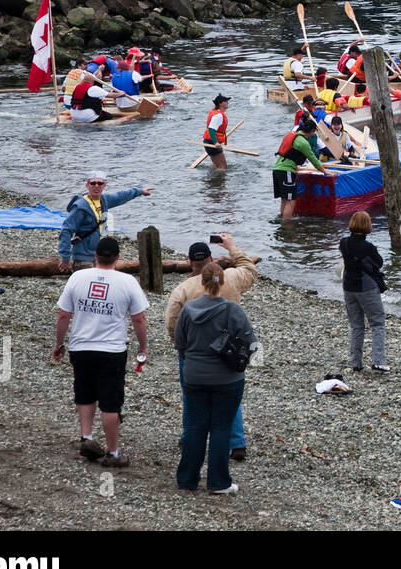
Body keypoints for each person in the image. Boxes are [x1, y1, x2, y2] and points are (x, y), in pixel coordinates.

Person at [52, 237, 147, 468]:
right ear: (117, 257)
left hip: (81, 346)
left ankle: (87, 436)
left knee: (84, 392)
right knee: (110, 401)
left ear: (95, 255)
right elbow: (139, 318)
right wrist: (143, 346)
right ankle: (113, 452)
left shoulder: (78, 277)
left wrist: (59, 343)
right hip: (111, 349)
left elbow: (64, 314)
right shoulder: (127, 281)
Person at [166, 236, 259, 462]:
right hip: (228, 349)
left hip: (195, 351)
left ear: (189, 263)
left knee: (192, 396)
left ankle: (190, 437)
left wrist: (182, 346)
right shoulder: (230, 278)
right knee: (230, 396)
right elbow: (250, 269)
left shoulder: (183, 289)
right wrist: (231, 247)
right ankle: (236, 442)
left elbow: (172, 322)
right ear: (211, 260)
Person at [58, 172, 151, 272]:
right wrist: (65, 257)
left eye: (100, 183)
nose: (96, 186)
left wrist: (140, 191)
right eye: (93, 183)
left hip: (100, 256)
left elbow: (121, 197)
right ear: (87, 185)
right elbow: (66, 230)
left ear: (104, 185)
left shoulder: (104, 200)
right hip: (83, 258)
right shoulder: (80, 207)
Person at [339, 212, 388, 372]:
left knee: (356, 325)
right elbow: (378, 263)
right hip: (366, 287)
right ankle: (378, 360)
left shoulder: (343, 242)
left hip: (348, 286)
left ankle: (355, 362)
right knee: (378, 323)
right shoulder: (368, 247)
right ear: (368, 226)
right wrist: (374, 250)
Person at [273, 119, 326, 220]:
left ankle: (282, 222)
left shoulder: (294, 136)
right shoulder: (303, 143)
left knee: (284, 199)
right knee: (291, 200)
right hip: (286, 171)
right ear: (311, 131)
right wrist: (324, 171)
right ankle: (287, 225)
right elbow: (314, 160)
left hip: (277, 169)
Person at [202, 94, 232, 171]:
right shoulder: (218, 115)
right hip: (211, 143)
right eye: (225, 101)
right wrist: (216, 142)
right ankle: (213, 181)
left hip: (210, 142)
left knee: (220, 167)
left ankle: (212, 181)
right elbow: (211, 129)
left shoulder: (216, 112)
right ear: (220, 103)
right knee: (222, 168)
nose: (227, 102)